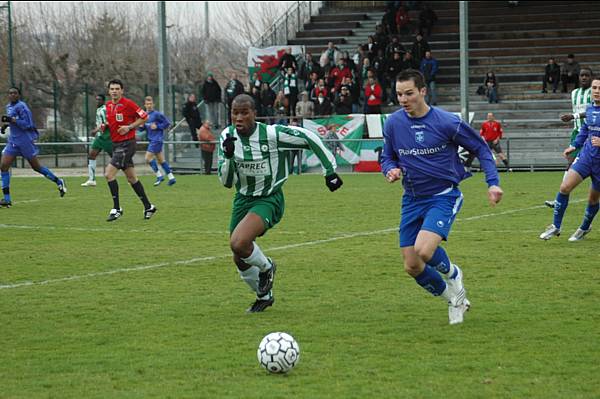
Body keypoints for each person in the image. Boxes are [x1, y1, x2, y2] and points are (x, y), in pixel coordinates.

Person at [380, 69, 503, 325]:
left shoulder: (447, 122)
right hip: (412, 198)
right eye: (399, 94)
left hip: (443, 196)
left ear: (423, 91)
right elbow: (387, 156)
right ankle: (454, 298)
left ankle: (454, 274)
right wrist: (389, 169)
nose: (403, 99)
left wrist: (493, 183)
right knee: (412, 266)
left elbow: (481, 147)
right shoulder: (393, 123)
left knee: (423, 251)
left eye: (409, 93)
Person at [218, 94, 343, 313]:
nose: (239, 118)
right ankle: (264, 296)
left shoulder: (272, 134)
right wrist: (228, 157)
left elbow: (308, 137)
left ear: (254, 114)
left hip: (269, 198)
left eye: (244, 112)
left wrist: (329, 171)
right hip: (242, 199)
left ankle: (267, 267)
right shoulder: (227, 136)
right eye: (235, 113)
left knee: (238, 242)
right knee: (240, 257)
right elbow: (227, 183)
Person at [540, 76, 600, 242]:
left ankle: (584, 227)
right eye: (594, 88)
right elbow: (586, 130)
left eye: (599, 89)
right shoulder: (589, 109)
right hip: (587, 156)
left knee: (593, 199)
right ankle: (555, 226)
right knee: (565, 187)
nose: (597, 92)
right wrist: (574, 146)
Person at [0, 87, 66, 207]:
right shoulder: (9, 106)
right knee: (3, 166)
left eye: (15, 93)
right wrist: (6, 125)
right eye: (10, 93)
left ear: (19, 95)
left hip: (25, 141)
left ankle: (59, 181)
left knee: (36, 167)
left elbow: (28, 124)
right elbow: (12, 121)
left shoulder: (22, 107)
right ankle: (7, 199)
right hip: (13, 142)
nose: (12, 95)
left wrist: (12, 120)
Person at [103, 79, 156, 222]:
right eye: (112, 89)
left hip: (127, 144)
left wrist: (129, 127)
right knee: (132, 178)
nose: (114, 91)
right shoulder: (108, 106)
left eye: (117, 88)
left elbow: (144, 117)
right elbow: (113, 122)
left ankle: (117, 208)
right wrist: (106, 126)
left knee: (108, 174)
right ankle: (148, 206)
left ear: (122, 90)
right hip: (116, 144)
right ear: (109, 91)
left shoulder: (128, 104)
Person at [545, 67, 593, 209]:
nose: (584, 78)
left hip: (593, 133)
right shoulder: (574, 93)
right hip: (577, 132)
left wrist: (573, 116)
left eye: (587, 75)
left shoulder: (594, 92)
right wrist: (574, 119)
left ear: (591, 77)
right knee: (570, 164)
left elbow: (591, 111)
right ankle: (559, 197)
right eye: (582, 75)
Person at [139, 96, 176, 186]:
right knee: (161, 160)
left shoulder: (157, 114)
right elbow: (142, 129)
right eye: (147, 104)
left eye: (150, 104)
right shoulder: (144, 115)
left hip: (157, 139)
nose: (149, 105)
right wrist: (141, 126)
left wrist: (158, 126)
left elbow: (167, 123)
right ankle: (171, 178)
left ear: (153, 104)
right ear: (145, 105)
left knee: (147, 158)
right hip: (152, 139)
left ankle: (159, 176)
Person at [81, 93, 113, 187]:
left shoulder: (104, 109)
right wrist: (97, 131)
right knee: (91, 155)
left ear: (103, 101)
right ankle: (92, 180)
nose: (97, 101)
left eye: (99, 99)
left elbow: (107, 122)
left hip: (107, 137)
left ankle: (130, 175)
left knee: (116, 158)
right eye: (96, 99)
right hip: (99, 138)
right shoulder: (99, 109)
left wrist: (96, 130)